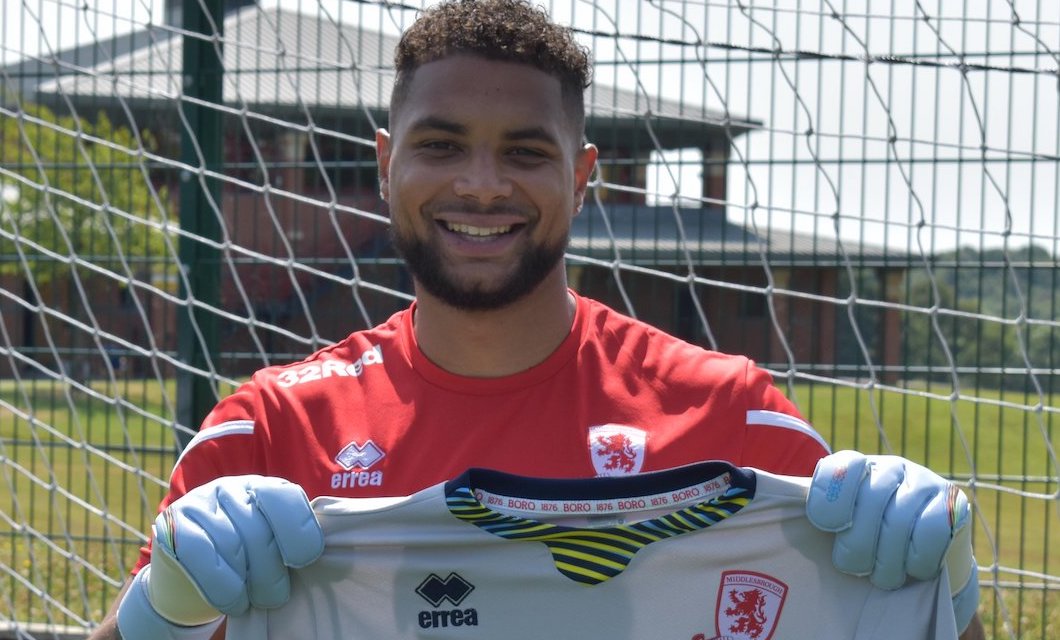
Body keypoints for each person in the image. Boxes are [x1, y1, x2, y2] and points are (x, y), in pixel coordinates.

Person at [90, 1, 983, 639]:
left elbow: (885, 613)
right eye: (441, 146)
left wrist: (949, 590)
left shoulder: (732, 417)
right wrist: (158, 615)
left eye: (525, 152)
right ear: (387, 160)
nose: (482, 184)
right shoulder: (269, 427)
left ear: (584, 174)